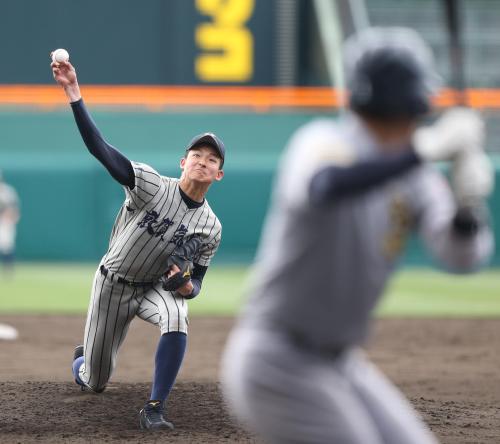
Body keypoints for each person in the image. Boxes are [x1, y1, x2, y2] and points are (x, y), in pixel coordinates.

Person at [221, 27, 494, 444]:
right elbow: (325, 186)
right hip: (276, 359)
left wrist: (467, 208)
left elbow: (459, 255)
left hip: (340, 361)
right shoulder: (322, 142)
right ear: (406, 103)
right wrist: (423, 150)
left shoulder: (413, 175)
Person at [51, 57, 224, 430]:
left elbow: (198, 286)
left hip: (152, 289)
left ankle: (155, 408)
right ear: (183, 161)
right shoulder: (149, 184)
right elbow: (101, 149)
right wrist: (73, 92)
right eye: (197, 155)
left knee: (178, 313)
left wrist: (186, 285)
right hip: (112, 284)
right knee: (95, 382)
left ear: (219, 174)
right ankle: (83, 362)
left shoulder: (210, 227)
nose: (203, 162)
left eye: (212, 160)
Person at [0, 170, 20, 276]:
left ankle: (8, 270)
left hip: (6, 221)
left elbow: (14, 208)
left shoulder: (8, 191)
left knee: (7, 246)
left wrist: (12, 217)